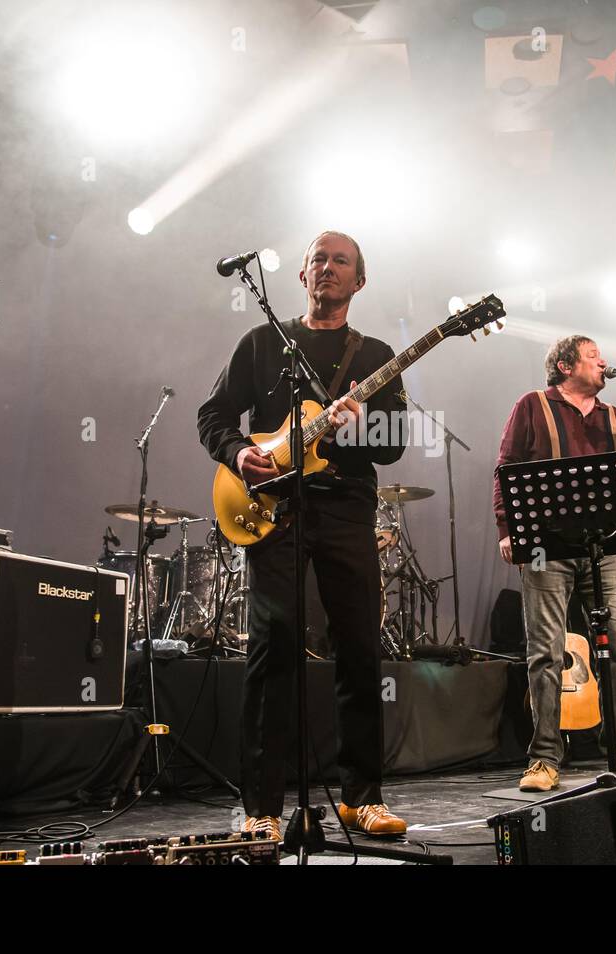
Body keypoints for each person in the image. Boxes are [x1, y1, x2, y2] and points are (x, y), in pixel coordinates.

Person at [197, 231, 409, 840]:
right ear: (301, 275)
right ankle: (262, 806)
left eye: (341, 261)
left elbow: (392, 447)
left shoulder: (378, 356)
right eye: (318, 258)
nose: (327, 267)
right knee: (273, 648)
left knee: (360, 649)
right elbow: (212, 416)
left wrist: (361, 428)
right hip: (273, 509)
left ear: (359, 282)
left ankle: (361, 797)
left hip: (345, 508)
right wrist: (239, 455)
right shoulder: (263, 341)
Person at [494, 335, 616, 792]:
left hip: (603, 547)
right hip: (548, 548)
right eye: (593, 356)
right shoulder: (532, 405)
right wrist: (507, 529)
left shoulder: (614, 416)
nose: (604, 362)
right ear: (566, 366)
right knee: (546, 651)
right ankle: (544, 758)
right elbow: (505, 467)